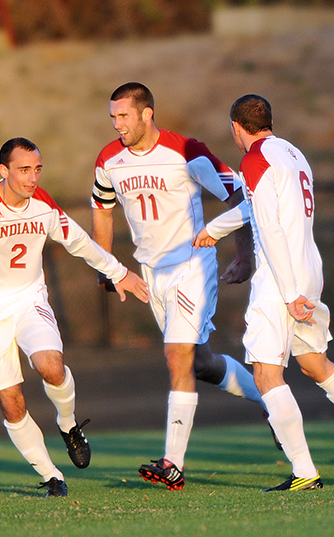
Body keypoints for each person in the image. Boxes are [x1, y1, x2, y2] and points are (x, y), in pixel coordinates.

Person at [194, 94, 334, 492]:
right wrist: (216, 229)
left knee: (266, 373)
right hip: (309, 268)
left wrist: (287, 291)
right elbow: (264, 208)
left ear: (235, 128)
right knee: (315, 363)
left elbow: (269, 227)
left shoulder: (254, 160)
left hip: (281, 277)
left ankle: (304, 471)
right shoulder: (292, 152)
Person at [0, 137, 150, 497]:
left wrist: (118, 272)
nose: (32, 177)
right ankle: (53, 476)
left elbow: (79, 241)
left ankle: (68, 425)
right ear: (3, 171)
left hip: (28, 299)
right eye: (23, 170)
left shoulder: (43, 203)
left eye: (37, 169)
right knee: (10, 401)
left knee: (51, 365)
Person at [90, 82, 263, 490]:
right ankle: (271, 399)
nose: (117, 125)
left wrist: (245, 256)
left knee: (175, 356)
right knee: (199, 363)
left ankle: (173, 463)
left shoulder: (186, 151)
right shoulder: (108, 160)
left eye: (124, 116)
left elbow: (237, 194)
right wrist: (106, 268)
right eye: (113, 117)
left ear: (147, 114)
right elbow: (102, 211)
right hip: (152, 275)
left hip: (191, 266)